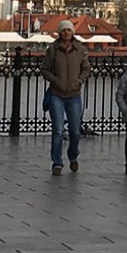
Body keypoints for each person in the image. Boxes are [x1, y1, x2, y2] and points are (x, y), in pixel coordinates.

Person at [39, 19, 90, 175]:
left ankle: (73, 155)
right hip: (57, 94)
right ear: (59, 33)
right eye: (63, 30)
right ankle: (57, 163)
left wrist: (79, 81)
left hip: (74, 94)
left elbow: (86, 69)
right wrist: (55, 80)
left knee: (75, 131)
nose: (66, 33)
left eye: (68, 30)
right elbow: (44, 69)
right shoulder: (53, 50)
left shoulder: (80, 49)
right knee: (58, 130)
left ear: (72, 32)